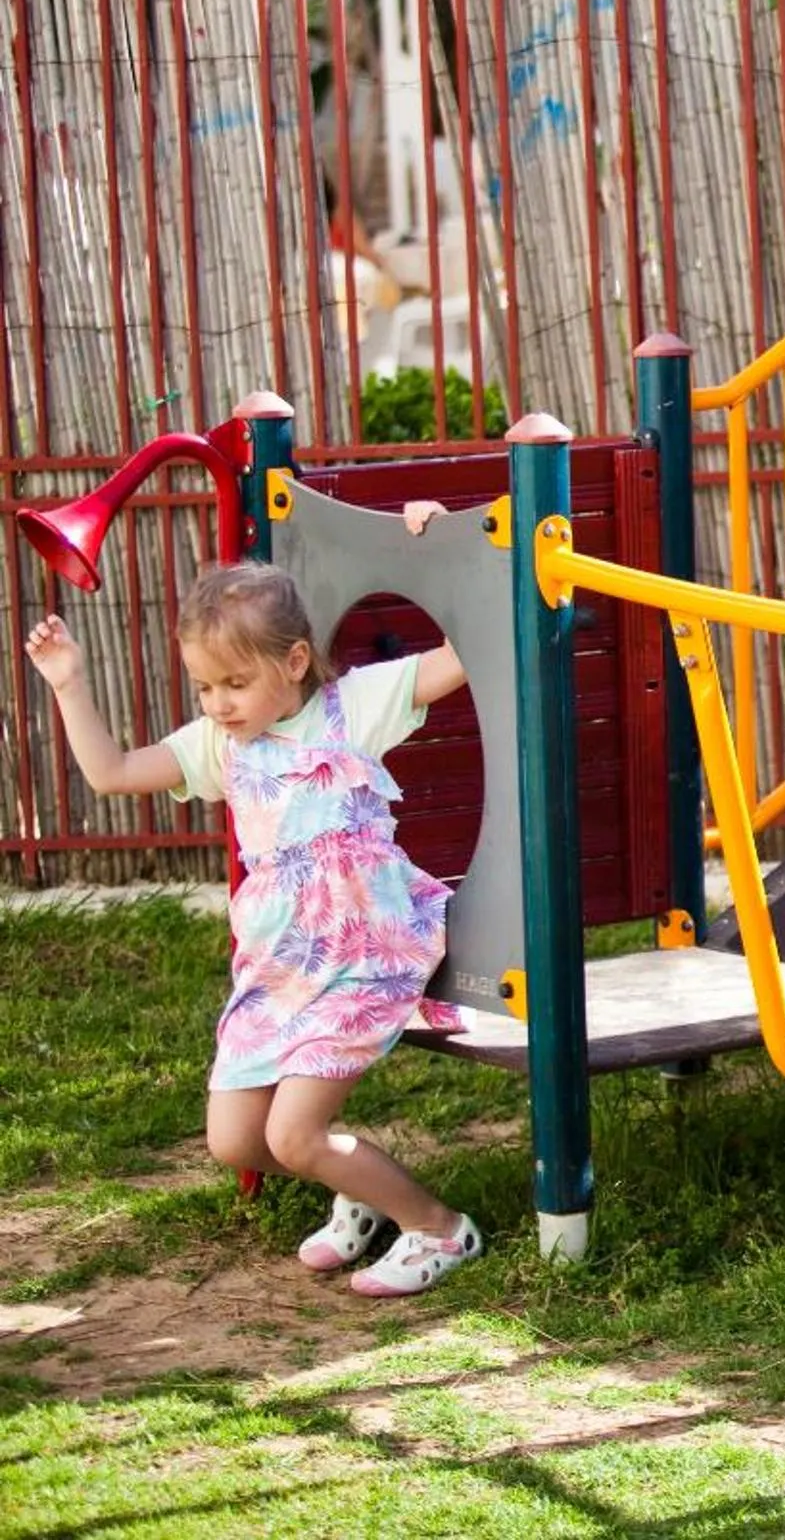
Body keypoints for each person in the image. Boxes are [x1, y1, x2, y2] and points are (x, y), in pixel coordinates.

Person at [21, 514, 483, 1295]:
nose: (219, 702)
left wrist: (436, 547)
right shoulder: (218, 745)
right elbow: (111, 772)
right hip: (277, 970)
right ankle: (358, 1183)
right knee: (236, 1139)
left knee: (293, 1133)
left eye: (236, 683)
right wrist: (69, 682)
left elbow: (471, 651)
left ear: (295, 660)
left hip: (361, 956)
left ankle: (440, 1229)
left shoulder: (356, 709)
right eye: (205, 685)